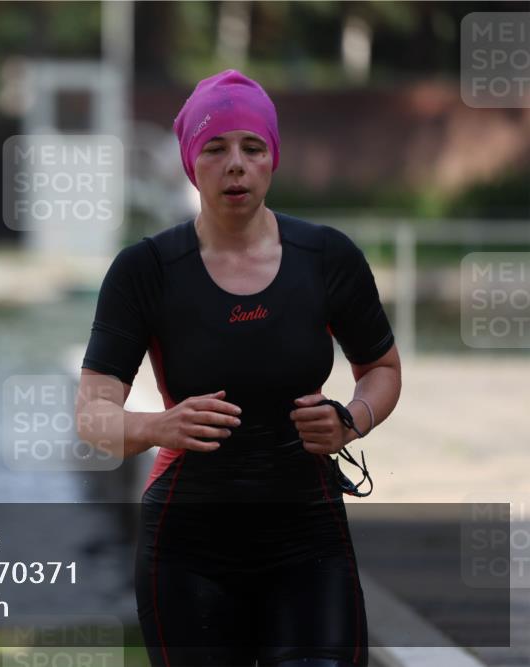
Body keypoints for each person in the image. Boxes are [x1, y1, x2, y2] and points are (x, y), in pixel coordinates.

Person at [76, 70, 402, 667]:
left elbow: (381, 367)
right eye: (215, 147)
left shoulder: (327, 258)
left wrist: (351, 420)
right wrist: (156, 427)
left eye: (252, 147)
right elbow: (92, 417)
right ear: (189, 162)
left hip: (307, 535)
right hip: (189, 544)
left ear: (272, 157)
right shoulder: (145, 270)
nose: (235, 164)